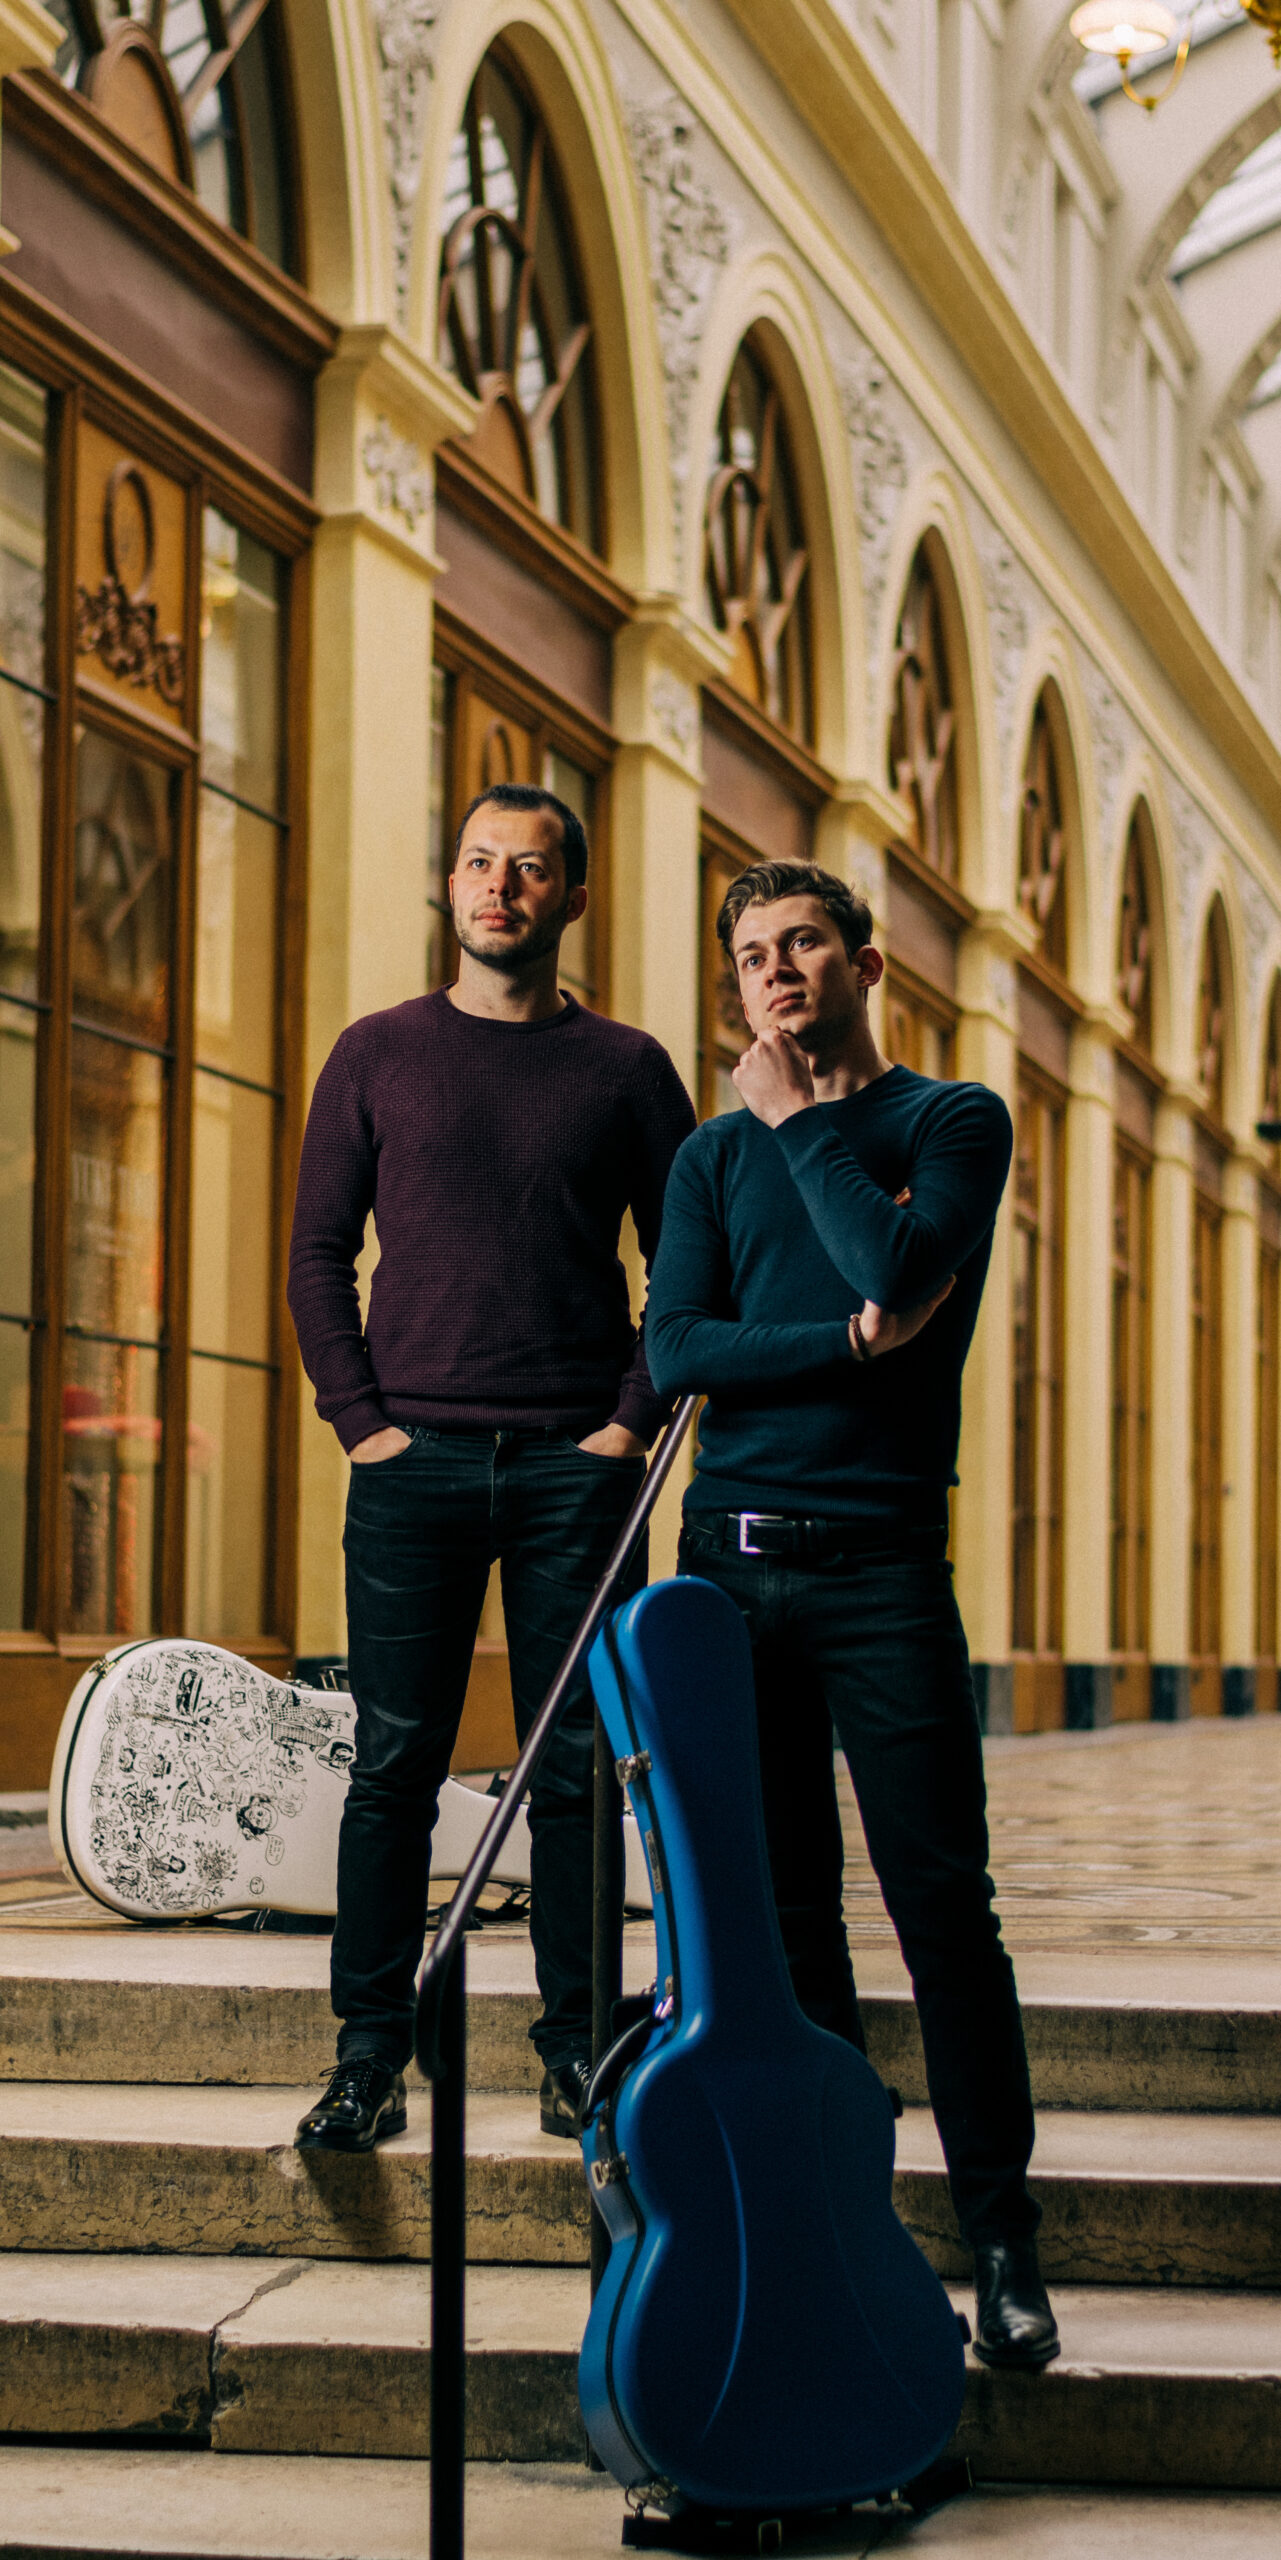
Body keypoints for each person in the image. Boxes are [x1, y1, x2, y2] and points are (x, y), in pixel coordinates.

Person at [645, 858, 1058, 2372]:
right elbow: (680, 1347)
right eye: (750, 954)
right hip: (728, 1576)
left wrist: (800, 1125)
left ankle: (1003, 2241)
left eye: (801, 944)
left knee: (944, 1911)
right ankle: (842, 2225)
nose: (775, 973)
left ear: (865, 963)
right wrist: (845, 1340)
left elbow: (901, 1253)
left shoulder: (946, 1122)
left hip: (881, 1573)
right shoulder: (706, 1159)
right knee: (786, 1923)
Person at [287, 782, 695, 2154]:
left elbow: (685, 1266)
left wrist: (626, 1426)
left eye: (528, 869)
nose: (498, 888)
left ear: (571, 897)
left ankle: (578, 2051)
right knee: (392, 1766)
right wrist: (362, 1421)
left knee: (576, 1767)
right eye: (477, 863)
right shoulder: (376, 1052)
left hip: (577, 1468)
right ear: (447, 885)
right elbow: (314, 1255)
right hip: (411, 1461)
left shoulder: (630, 1071)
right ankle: (365, 2059)